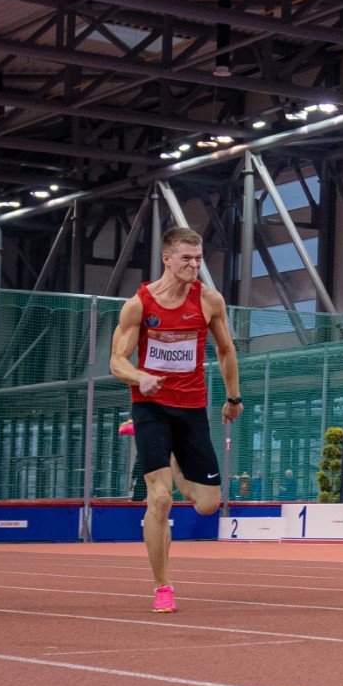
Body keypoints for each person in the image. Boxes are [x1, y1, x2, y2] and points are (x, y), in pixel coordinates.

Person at [110, 227, 242, 613]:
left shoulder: (209, 300)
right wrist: (141, 377)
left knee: (206, 504)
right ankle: (162, 585)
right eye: (187, 258)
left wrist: (233, 397)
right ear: (167, 259)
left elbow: (226, 350)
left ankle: (168, 456)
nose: (194, 265)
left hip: (191, 407)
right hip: (150, 405)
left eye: (199, 258)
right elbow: (116, 361)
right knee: (161, 498)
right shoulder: (139, 305)